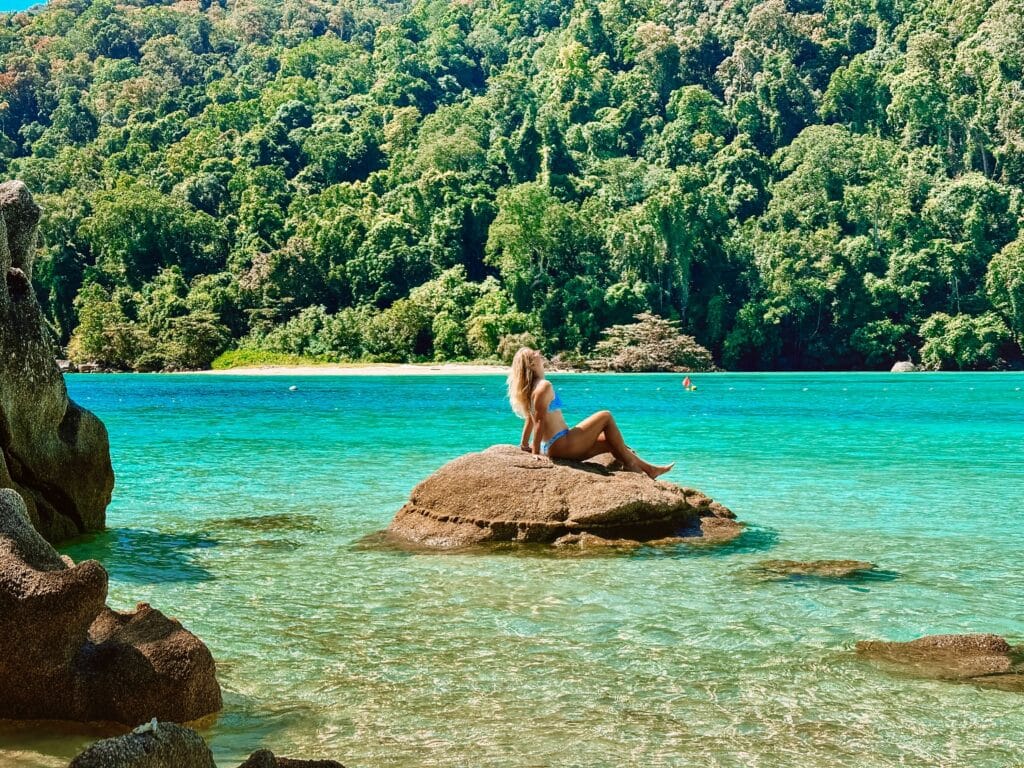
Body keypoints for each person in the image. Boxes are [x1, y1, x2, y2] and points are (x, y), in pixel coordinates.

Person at [506, 347, 674, 479]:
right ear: (531, 364)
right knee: (605, 415)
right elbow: (539, 420)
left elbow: (530, 417)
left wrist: (524, 445)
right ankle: (633, 466)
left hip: (554, 445)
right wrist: (535, 453)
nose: (538, 353)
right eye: (534, 353)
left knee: (611, 442)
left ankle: (649, 469)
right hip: (561, 443)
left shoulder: (530, 389)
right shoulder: (544, 386)